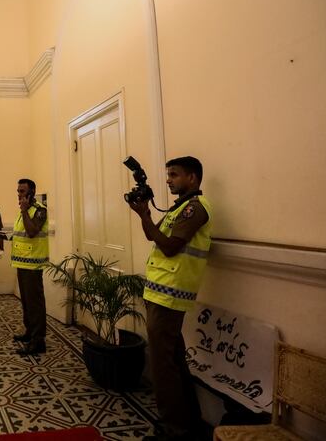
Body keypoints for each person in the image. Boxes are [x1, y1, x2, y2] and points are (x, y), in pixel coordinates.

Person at [127, 156, 212, 441]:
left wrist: (147, 217)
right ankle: (189, 421)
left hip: (170, 295)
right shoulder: (180, 208)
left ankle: (174, 429)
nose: (168, 180)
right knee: (174, 359)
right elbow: (155, 237)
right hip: (161, 292)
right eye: (168, 175)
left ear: (192, 178)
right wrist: (143, 215)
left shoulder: (195, 209)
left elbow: (170, 247)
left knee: (162, 366)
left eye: (174, 175)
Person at [9, 178, 49, 356]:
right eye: (18, 191)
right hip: (21, 262)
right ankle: (29, 332)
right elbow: (21, 234)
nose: (19, 195)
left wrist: (25, 211)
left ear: (31, 192)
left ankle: (38, 341)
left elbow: (32, 232)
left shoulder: (40, 211)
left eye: (22, 191)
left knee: (35, 303)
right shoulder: (23, 212)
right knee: (26, 301)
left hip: (33, 265)